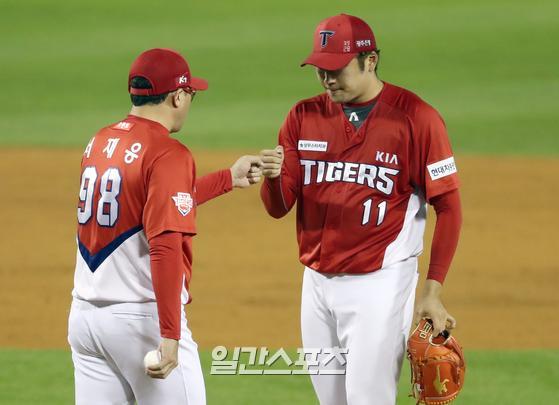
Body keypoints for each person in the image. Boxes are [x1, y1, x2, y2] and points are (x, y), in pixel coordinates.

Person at [260, 14, 462, 405]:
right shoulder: (303, 117)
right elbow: (278, 208)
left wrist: (432, 291)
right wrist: (272, 178)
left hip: (380, 283)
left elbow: (449, 207)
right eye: (320, 69)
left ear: (370, 60)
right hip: (315, 283)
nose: (327, 79)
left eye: (336, 68)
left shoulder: (417, 118)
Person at [68, 48, 261, 405]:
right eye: (191, 94)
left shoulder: (99, 142)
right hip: (139, 322)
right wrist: (169, 333)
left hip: (85, 322)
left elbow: (148, 207)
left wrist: (227, 179)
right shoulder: (169, 153)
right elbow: (164, 243)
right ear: (178, 95)